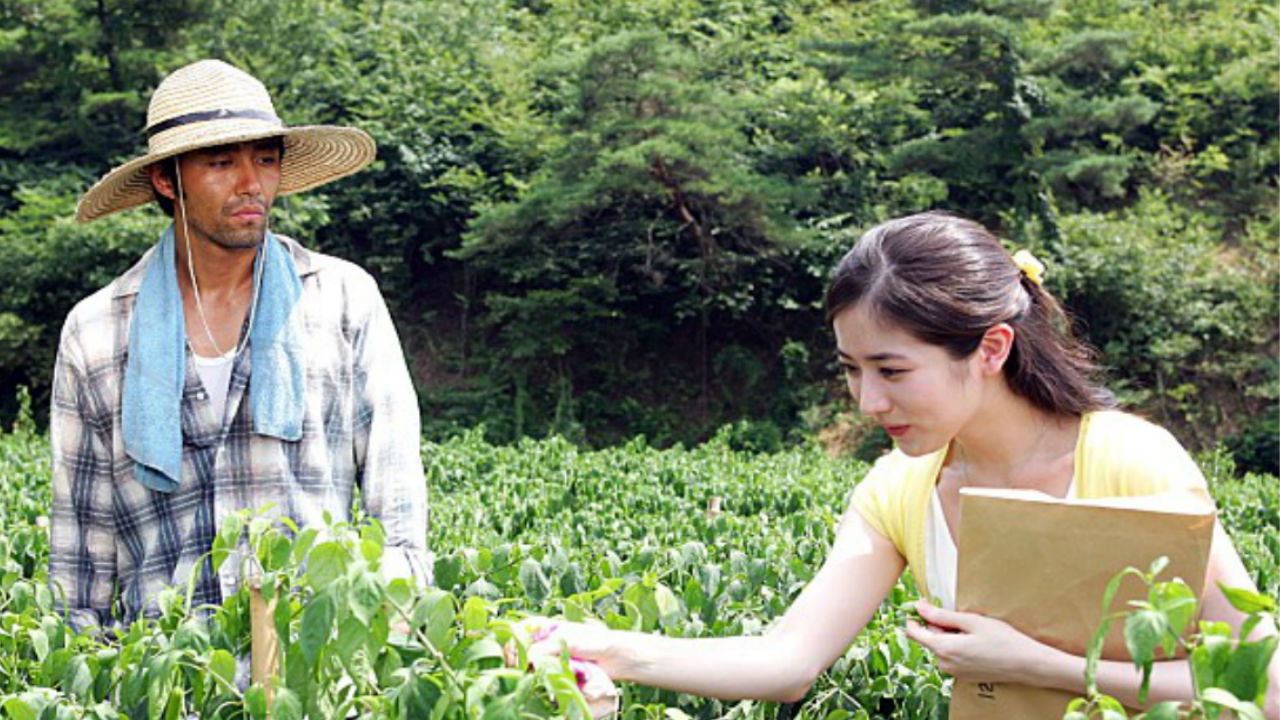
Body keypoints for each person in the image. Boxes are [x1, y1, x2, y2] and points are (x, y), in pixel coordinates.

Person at [519, 212, 1280, 714]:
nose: (866, 402)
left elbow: (1264, 688)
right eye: (851, 370)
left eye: (891, 370)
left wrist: (1037, 663)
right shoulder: (899, 486)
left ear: (990, 348)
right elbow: (787, 660)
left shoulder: (1130, 460)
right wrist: (607, 649)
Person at [49, 59, 429, 632]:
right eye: (221, 162)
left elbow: (395, 501)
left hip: (319, 670)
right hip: (168, 680)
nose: (251, 182)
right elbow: (81, 551)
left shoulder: (342, 299)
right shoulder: (97, 332)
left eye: (266, 160)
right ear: (165, 179)